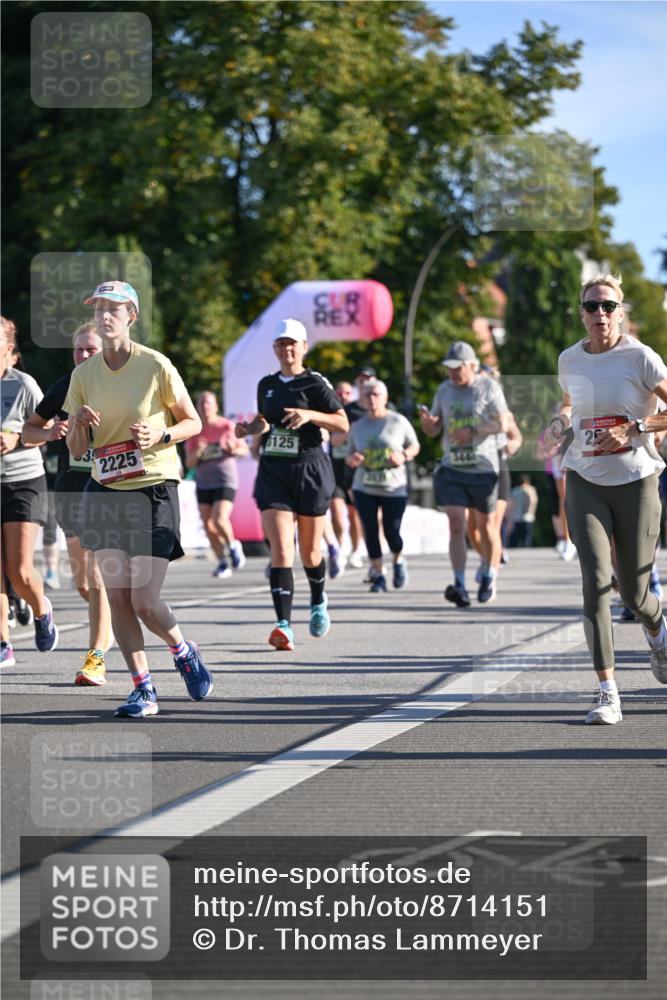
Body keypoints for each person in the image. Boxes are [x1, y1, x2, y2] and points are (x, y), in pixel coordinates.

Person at [63, 280, 212, 717]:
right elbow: (74, 450)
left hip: (152, 489)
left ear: (131, 316)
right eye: (99, 309)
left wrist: (161, 433)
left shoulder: (155, 365)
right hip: (106, 491)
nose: (104, 316)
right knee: (118, 596)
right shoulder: (82, 376)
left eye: (114, 309)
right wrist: (80, 425)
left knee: (145, 600)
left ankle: (183, 650)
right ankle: (142, 687)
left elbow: (193, 423)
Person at [544, 273, 667, 725]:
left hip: (637, 480)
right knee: (595, 582)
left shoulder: (641, 358)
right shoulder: (569, 359)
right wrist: (558, 424)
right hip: (585, 478)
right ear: (581, 312)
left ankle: (657, 629)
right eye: (592, 307)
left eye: (609, 307)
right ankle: (607, 692)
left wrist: (635, 429)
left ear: (621, 312)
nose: (601, 314)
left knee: (634, 593)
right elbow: (569, 404)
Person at [234, 318, 348, 651]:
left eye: (292, 343)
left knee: (311, 552)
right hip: (274, 471)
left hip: (310, 469)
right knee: (282, 550)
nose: (287, 349)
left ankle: (317, 600)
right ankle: (283, 625)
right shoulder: (266, 384)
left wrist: (310, 415)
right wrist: (249, 429)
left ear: (303, 347)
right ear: (275, 349)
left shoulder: (314, 383)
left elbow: (342, 423)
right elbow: (264, 420)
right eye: (281, 344)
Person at [23, 322, 113, 685]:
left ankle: (95, 657)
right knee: (82, 581)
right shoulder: (64, 387)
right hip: (70, 490)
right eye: (78, 349)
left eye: (90, 349)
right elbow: (30, 429)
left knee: (95, 576)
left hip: (108, 490)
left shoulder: (116, 387)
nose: (84, 355)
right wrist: (48, 433)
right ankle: (112, 622)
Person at [419, 341, 509, 606]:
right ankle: (459, 584)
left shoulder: (489, 387)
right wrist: (429, 425)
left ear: (472, 366)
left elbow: (502, 424)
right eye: (449, 369)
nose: (453, 374)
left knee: (486, 527)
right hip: (453, 467)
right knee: (456, 525)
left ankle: (490, 574)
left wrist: (474, 431)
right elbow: (435, 430)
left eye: (458, 368)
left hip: (483, 468)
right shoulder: (444, 390)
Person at [1, 317, 59, 667]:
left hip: (24, 481)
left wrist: (18, 439)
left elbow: (48, 430)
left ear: (9, 350)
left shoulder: (24, 385)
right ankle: (2, 643)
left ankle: (41, 608)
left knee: (19, 571)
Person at [346, 379, 420, 591]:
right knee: (370, 530)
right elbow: (349, 455)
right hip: (364, 485)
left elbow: (415, 445)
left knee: (392, 531)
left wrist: (403, 455)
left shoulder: (398, 421)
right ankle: (378, 575)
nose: (371, 398)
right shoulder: (357, 427)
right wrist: (353, 460)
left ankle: (398, 560)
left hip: (393, 486)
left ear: (385, 398)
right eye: (367, 394)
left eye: (376, 394)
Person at [185, 390, 248, 578]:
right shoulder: (194, 429)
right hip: (204, 482)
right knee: (207, 525)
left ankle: (233, 545)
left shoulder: (227, 426)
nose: (205, 407)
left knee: (219, 519)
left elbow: (244, 450)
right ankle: (222, 561)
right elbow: (189, 463)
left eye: (208, 403)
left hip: (225, 480)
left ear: (216, 406)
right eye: (201, 403)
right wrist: (197, 452)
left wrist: (233, 449)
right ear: (197, 407)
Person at [508, 474, 539, 548]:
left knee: (516, 537)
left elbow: (511, 505)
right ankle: (525, 550)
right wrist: (530, 511)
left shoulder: (515, 490)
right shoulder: (531, 489)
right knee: (526, 537)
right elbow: (533, 501)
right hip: (528, 517)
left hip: (516, 517)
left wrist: (510, 516)